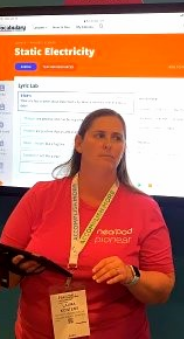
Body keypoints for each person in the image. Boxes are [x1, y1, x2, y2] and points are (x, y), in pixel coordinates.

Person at [0, 108, 175, 339]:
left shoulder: (144, 207)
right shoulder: (40, 195)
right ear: (79, 143)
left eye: (117, 138)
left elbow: (162, 290)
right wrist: (17, 268)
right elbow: (5, 274)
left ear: (123, 148)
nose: (108, 144)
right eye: (99, 135)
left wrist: (130, 275)